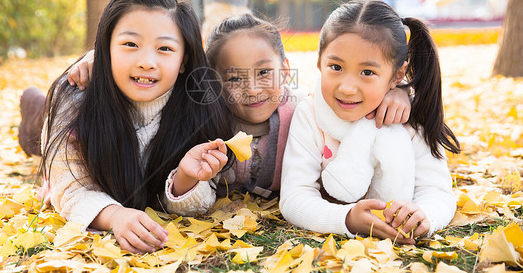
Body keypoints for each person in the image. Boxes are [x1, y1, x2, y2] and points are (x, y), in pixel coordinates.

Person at [58, 13, 412, 201]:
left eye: (264, 73)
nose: (252, 89)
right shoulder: (203, 118)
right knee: (40, 134)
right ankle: (36, 112)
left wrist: (400, 93)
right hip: (66, 128)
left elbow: (355, 94)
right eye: (234, 79)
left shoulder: (305, 110)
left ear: (285, 71)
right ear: (213, 82)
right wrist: (95, 60)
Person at [38, 0, 234, 254]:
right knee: (40, 133)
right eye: (130, 44)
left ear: (184, 60)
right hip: (62, 130)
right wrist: (114, 215)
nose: (147, 62)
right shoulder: (74, 101)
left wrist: (186, 178)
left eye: (164, 49)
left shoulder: (199, 107)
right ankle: (33, 107)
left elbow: (200, 202)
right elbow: (69, 187)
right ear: (105, 47)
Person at [279, 0, 461, 244]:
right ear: (319, 62)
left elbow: (438, 192)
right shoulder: (310, 115)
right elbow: (294, 197)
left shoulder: (410, 119)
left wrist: (424, 216)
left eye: (367, 72)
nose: (347, 87)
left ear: (397, 75)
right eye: (335, 67)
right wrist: (346, 219)